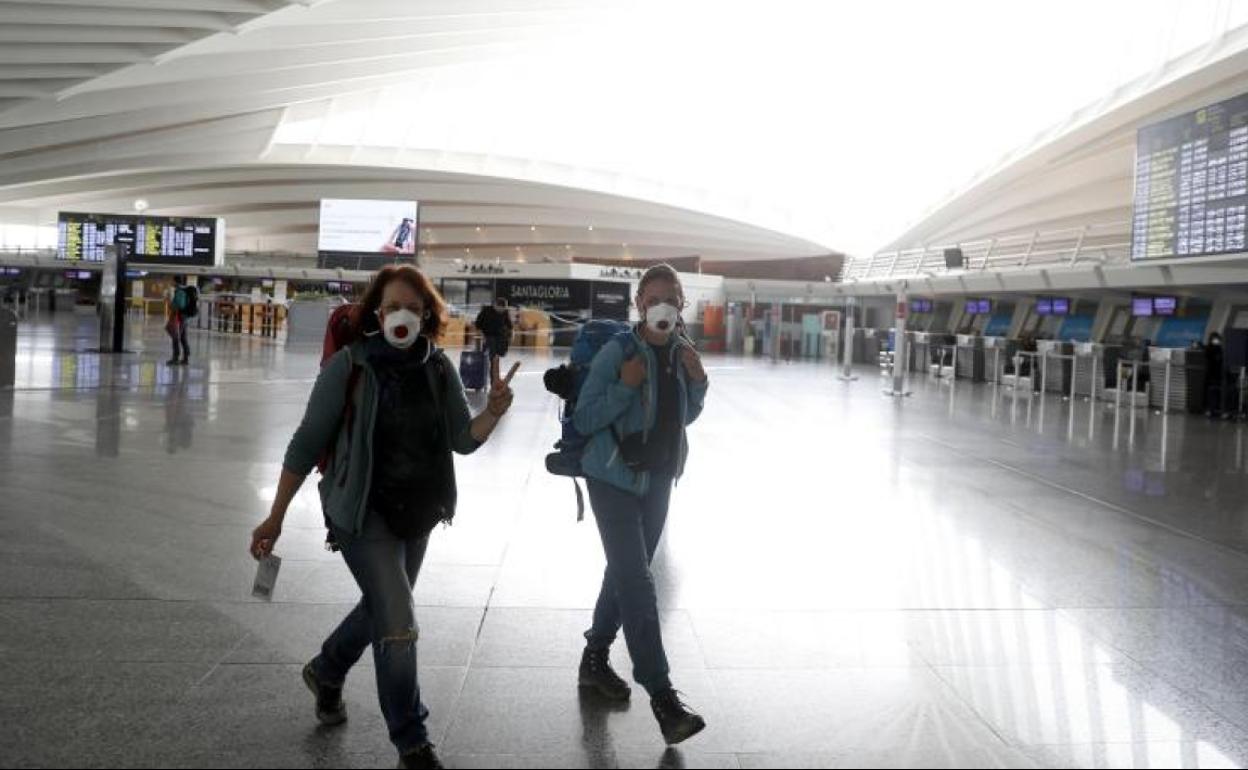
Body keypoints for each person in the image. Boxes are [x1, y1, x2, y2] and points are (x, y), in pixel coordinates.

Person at [249, 265, 518, 770]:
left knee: (382, 607)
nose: (403, 317)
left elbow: (463, 440)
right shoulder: (350, 366)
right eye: (393, 307)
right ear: (376, 313)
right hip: (361, 510)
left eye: (413, 309)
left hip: (418, 510)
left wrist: (494, 413)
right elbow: (305, 444)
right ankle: (412, 742)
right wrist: (275, 517)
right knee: (398, 620)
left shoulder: (438, 368)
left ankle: (327, 670)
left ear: (427, 316)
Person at [572, 263, 710, 745]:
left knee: (625, 570)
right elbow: (585, 417)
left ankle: (594, 658)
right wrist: (625, 385)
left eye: (670, 298)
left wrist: (698, 382)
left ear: (681, 304)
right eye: (652, 299)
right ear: (638, 305)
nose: (661, 307)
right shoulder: (619, 351)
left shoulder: (682, 352)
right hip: (611, 476)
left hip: (658, 478)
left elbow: (683, 417)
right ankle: (663, 697)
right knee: (635, 578)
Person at [164, 275, 192, 366]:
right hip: (184, 317)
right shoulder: (185, 290)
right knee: (183, 337)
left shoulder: (180, 291)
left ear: (175, 281)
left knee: (175, 337)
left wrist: (169, 302)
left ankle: (175, 358)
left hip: (179, 317)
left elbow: (179, 305)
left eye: (172, 281)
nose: (172, 283)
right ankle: (186, 358)